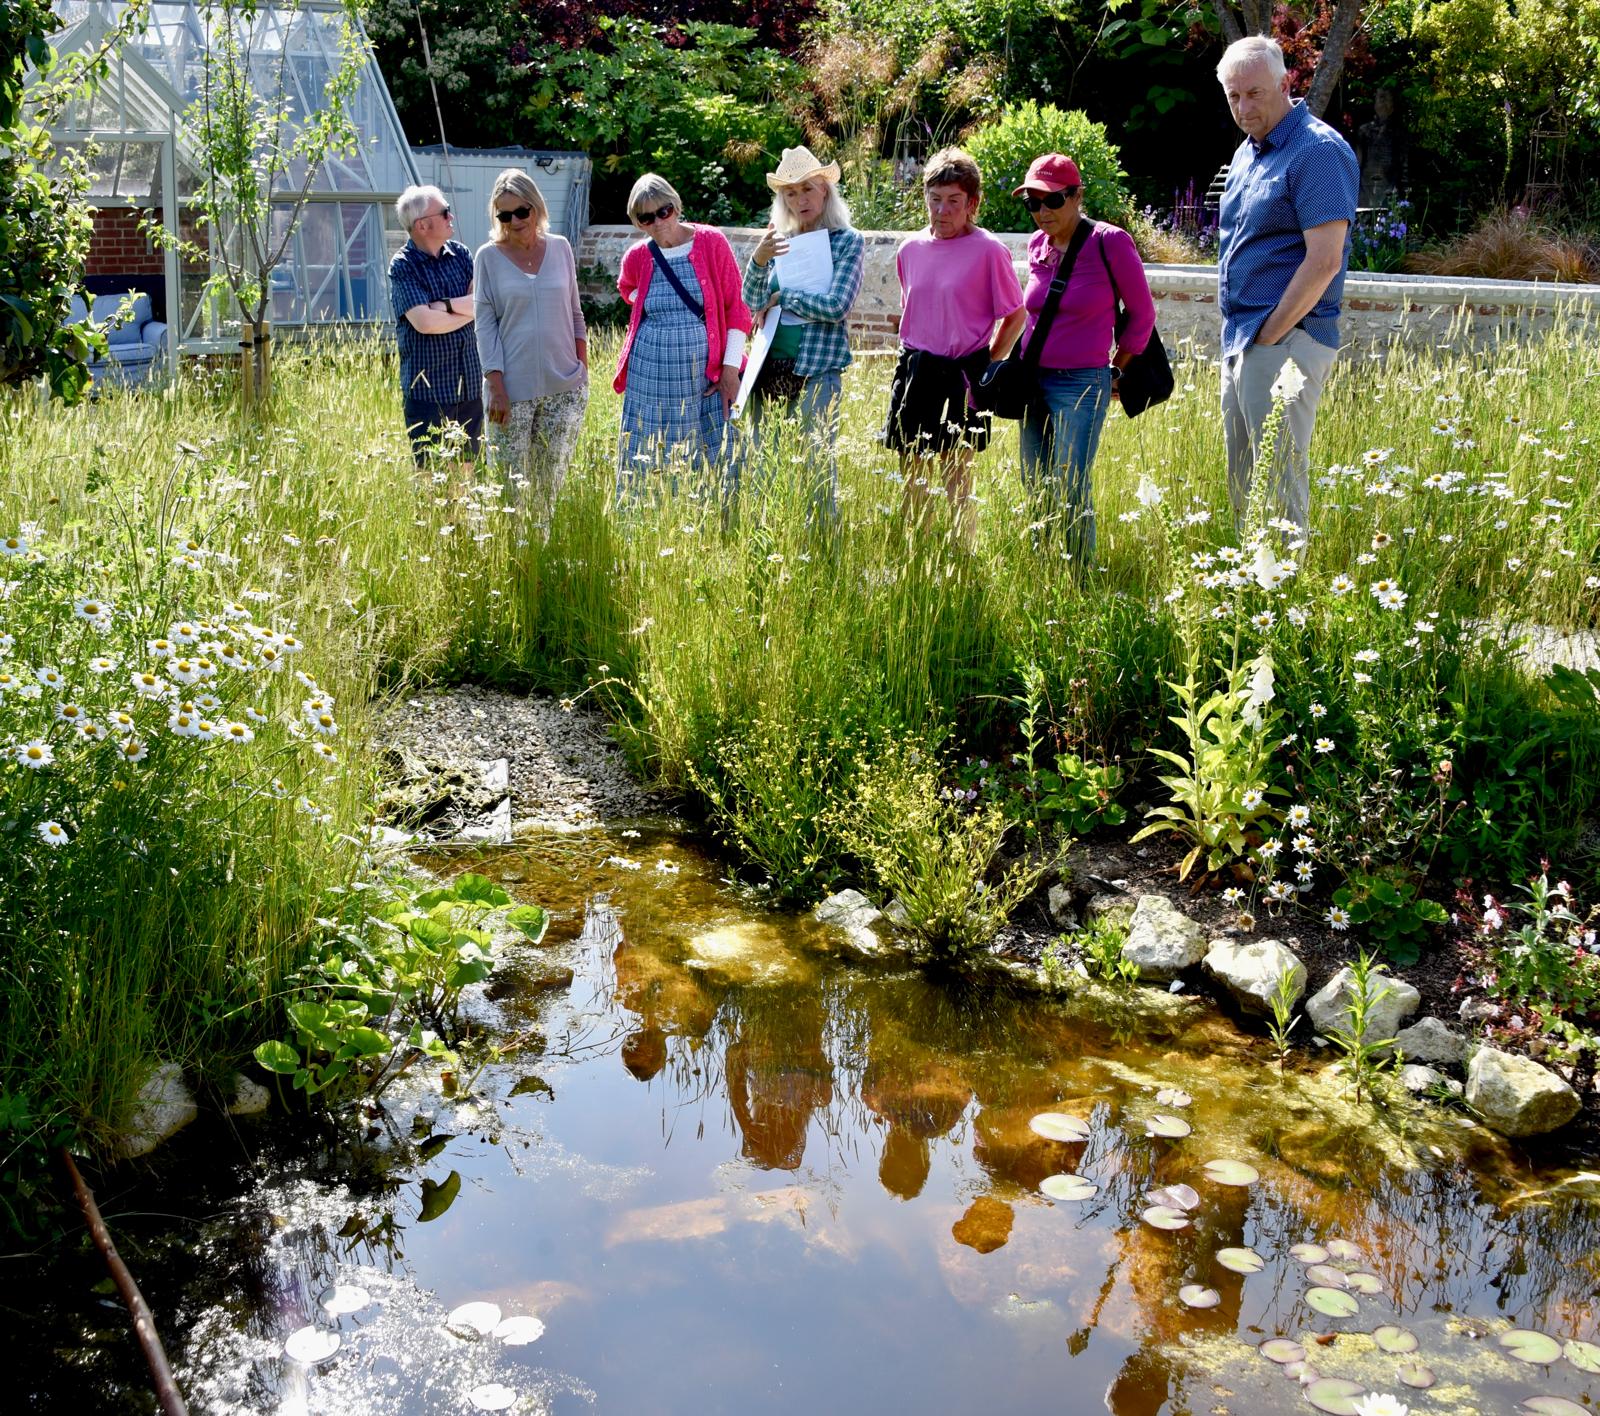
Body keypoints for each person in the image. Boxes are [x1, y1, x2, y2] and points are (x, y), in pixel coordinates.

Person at [1216, 35, 1358, 536]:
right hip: (1244, 338)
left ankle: (1282, 604)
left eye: (1254, 93)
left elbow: (1324, 262)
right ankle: (1246, 599)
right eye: (1233, 96)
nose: (1243, 106)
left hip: (1287, 338)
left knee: (1276, 483)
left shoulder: (1316, 151)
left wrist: (1271, 335)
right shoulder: (1248, 153)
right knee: (1241, 480)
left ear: (1285, 83)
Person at [1014, 152, 1155, 559]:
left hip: (1080, 382)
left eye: (1053, 200)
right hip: (1031, 379)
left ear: (1077, 197)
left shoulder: (1108, 241)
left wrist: (1117, 369)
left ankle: (1080, 579)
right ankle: (1040, 570)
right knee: (1034, 480)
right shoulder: (1038, 244)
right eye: (1032, 202)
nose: (1042, 211)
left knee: (1070, 482)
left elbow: (1142, 314)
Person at [883, 147, 1025, 544]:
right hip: (915, 369)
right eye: (935, 200)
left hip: (963, 372)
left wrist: (987, 364)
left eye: (953, 201)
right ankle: (918, 550)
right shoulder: (909, 249)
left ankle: (963, 552)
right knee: (911, 469)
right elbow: (914, 310)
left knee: (956, 473)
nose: (942, 211)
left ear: (972, 204)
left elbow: (1015, 316)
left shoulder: (988, 250)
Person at [741, 146, 866, 518]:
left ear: (825, 190)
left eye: (807, 189)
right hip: (768, 367)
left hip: (816, 369)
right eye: (790, 193)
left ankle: (823, 555)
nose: (800, 200)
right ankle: (773, 553)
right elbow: (752, 301)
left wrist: (783, 296)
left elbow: (836, 306)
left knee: (815, 472)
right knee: (766, 469)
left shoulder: (846, 240)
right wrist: (759, 261)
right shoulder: (778, 237)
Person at [613, 174, 752, 497]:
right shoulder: (638, 256)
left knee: (719, 451)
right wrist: (644, 304)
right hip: (649, 375)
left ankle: (721, 522)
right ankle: (649, 518)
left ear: (676, 207)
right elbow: (626, 287)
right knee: (648, 453)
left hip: (705, 375)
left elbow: (736, 308)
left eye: (664, 211)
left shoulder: (711, 242)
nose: (659, 222)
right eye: (647, 217)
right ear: (638, 222)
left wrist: (731, 368)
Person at [473, 169, 589, 536]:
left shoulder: (560, 247)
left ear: (536, 207)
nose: (514, 222)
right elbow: (485, 323)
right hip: (511, 392)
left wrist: (581, 367)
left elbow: (574, 311)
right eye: (504, 215)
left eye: (521, 211)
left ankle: (543, 551)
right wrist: (495, 382)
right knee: (509, 484)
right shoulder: (488, 257)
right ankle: (513, 555)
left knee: (548, 484)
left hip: (563, 387)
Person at [389, 184, 481, 463]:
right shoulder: (404, 265)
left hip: (472, 387)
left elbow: (484, 303)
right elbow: (426, 323)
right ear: (423, 225)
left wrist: (446, 305)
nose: (451, 217)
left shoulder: (462, 255)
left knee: (466, 471)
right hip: (429, 393)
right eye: (445, 212)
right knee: (431, 477)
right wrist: (466, 309)